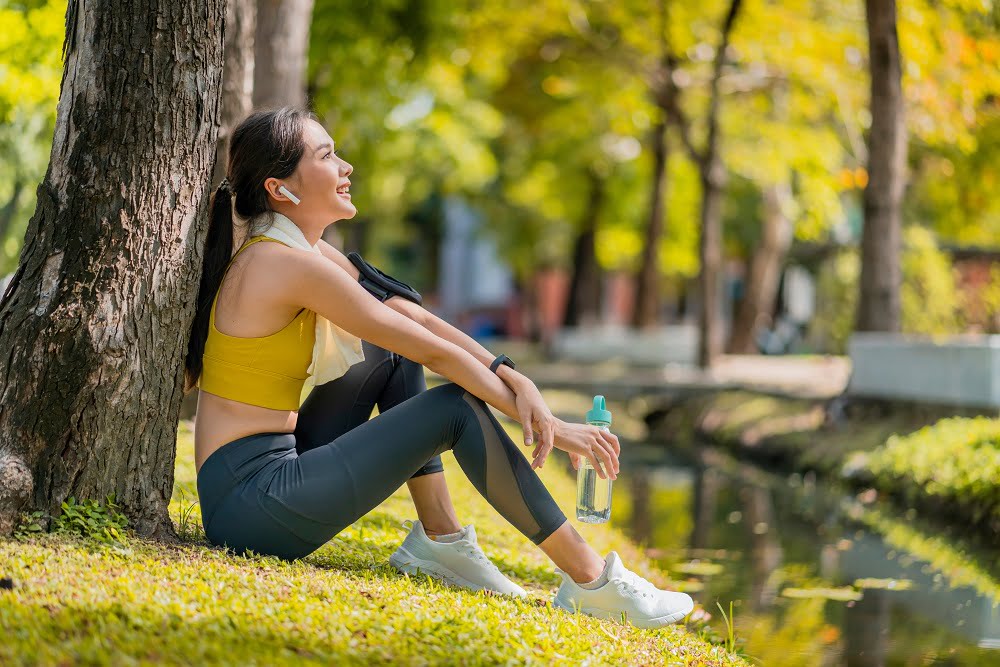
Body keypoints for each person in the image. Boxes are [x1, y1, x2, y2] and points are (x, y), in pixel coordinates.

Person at [183, 107, 693, 628]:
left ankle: (441, 540)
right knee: (452, 407)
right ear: (280, 188)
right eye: (327, 156)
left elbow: (409, 315)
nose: (346, 166)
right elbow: (436, 354)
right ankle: (592, 581)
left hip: (274, 467)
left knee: (395, 351)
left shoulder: (297, 248)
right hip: (252, 507)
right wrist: (553, 428)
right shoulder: (283, 263)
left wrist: (509, 370)